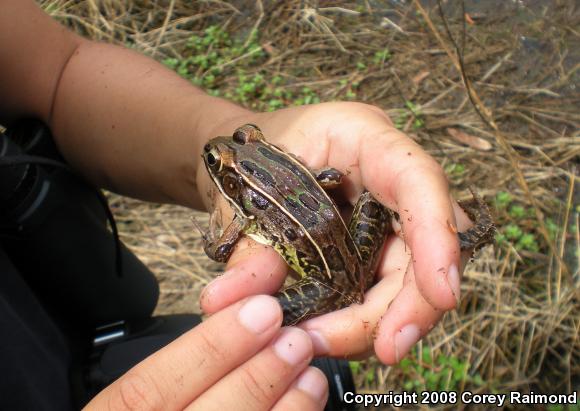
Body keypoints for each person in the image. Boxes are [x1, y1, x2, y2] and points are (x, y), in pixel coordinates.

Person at [0, 1, 476, 410]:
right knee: (264, 319)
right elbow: (328, 182)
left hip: (323, 280)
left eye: (248, 138)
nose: (225, 147)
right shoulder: (267, 201)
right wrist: (320, 188)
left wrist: (239, 157)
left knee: (262, 311)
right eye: (220, 162)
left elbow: (60, 73)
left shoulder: (250, 211)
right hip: (342, 261)